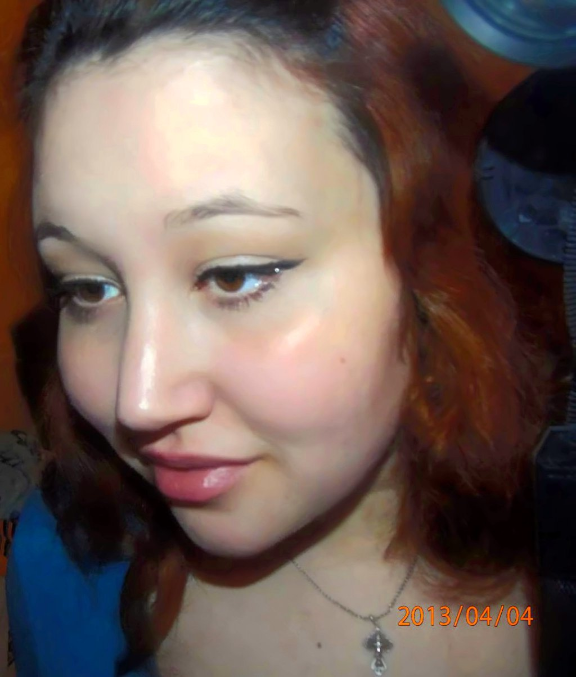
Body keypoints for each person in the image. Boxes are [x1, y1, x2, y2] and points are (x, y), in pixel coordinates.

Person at [6, 0, 547, 675]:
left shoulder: (551, 563)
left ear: (431, 270)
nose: (139, 402)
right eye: (88, 288)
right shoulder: (63, 570)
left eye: (233, 275)